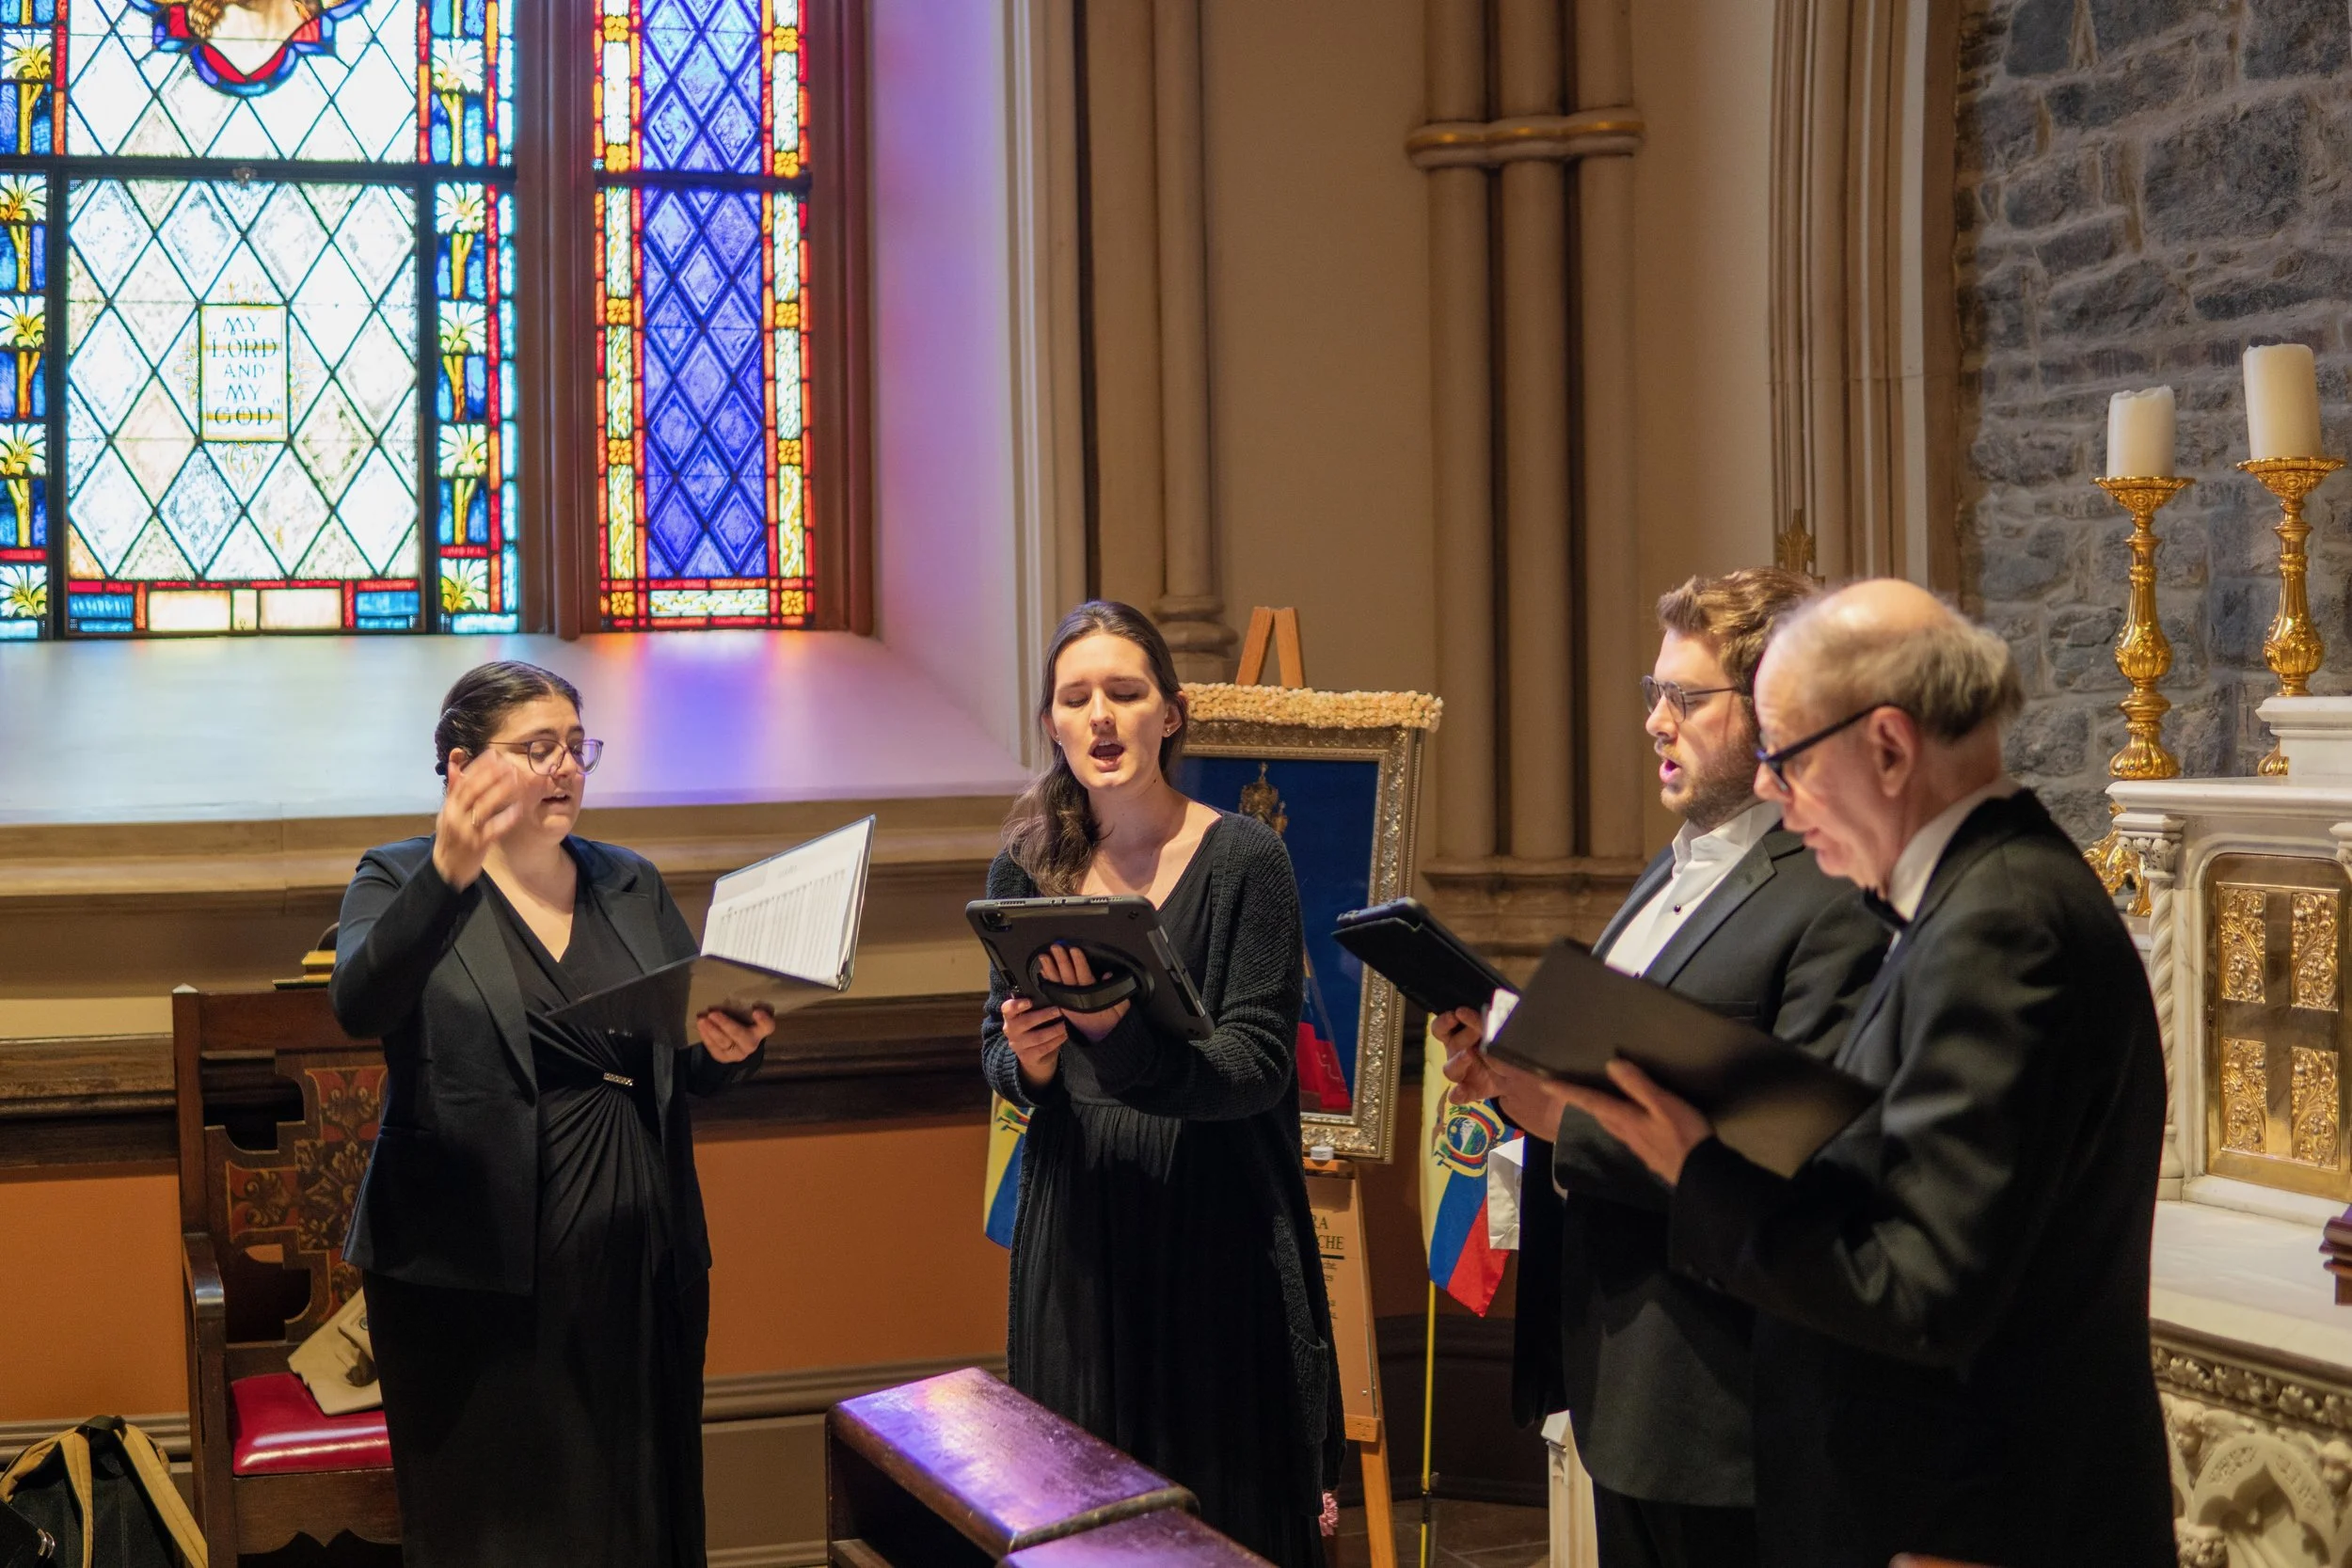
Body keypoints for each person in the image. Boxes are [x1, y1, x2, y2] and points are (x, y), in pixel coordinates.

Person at [1554, 580, 2174, 1568]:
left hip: (1966, 1527)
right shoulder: (1965, 899)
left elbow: (1920, 1286)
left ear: (1886, 747)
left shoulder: (2000, 925)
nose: (1767, 788)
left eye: (1786, 758)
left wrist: (1697, 1166)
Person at [1437, 568, 1886, 1568]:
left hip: (1727, 1399)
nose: (1656, 722)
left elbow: (1793, 1149)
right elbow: (1620, 1069)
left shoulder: (1829, 894)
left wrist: (1563, 1117)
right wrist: (1517, 1075)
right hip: (1625, 1376)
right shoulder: (1676, 861)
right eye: (1654, 694)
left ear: (1776, 712)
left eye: (1686, 698)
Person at [332, 660, 774, 1568]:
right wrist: (449, 873)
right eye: (537, 748)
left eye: (577, 746)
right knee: (497, 1529)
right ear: (460, 768)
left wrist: (726, 1048)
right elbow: (360, 1004)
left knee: (638, 1515)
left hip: (638, 1256)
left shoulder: (629, 883)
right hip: (468, 1273)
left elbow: (675, 1048)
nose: (565, 767)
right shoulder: (398, 875)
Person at [979, 600, 1343, 1566]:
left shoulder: (1245, 861)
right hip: (1078, 1232)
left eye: (1125, 692)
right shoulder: (1027, 864)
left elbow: (1255, 1068)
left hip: (1210, 1227)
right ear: (1052, 724)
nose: (1101, 715)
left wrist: (1116, 1031)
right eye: (1076, 696)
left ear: (1171, 714)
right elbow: (994, 1048)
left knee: (1216, 1520)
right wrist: (1033, 1058)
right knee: (1086, 1519)